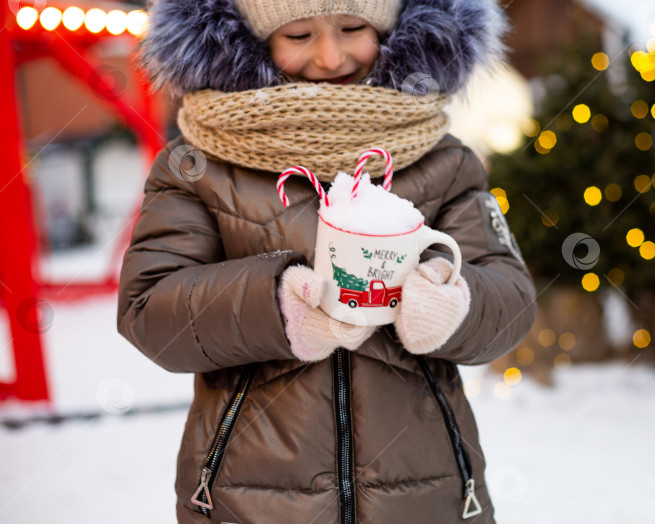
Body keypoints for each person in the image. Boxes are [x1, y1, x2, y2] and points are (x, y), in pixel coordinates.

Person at [117, 0, 537, 522]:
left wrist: (456, 303)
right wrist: (273, 307)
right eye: (298, 34)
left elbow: (511, 298)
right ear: (251, 39)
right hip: (248, 500)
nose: (330, 55)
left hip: (427, 495)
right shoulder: (199, 163)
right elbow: (148, 307)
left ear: (395, 28)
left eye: (353, 27)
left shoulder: (442, 160)